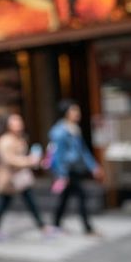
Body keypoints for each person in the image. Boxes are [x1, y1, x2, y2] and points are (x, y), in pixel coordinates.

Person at [0, 114, 52, 240]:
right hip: (9, 178)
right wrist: (29, 161)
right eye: (15, 122)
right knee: (3, 203)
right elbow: (9, 160)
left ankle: (42, 226)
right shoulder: (5, 140)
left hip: (20, 178)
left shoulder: (20, 138)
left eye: (19, 121)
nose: (19, 124)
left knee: (30, 201)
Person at [48, 99, 104, 235]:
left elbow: (83, 151)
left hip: (75, 169)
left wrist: (93, 166)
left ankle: (55, 224)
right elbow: (58, 155)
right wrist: (62, 174)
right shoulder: (59, 132)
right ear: (66, 113)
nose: (77, 113)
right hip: (68, 170)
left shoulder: (74, 129)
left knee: (65, 198)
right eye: (74, 110)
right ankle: (87, 228)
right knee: (81, 197)